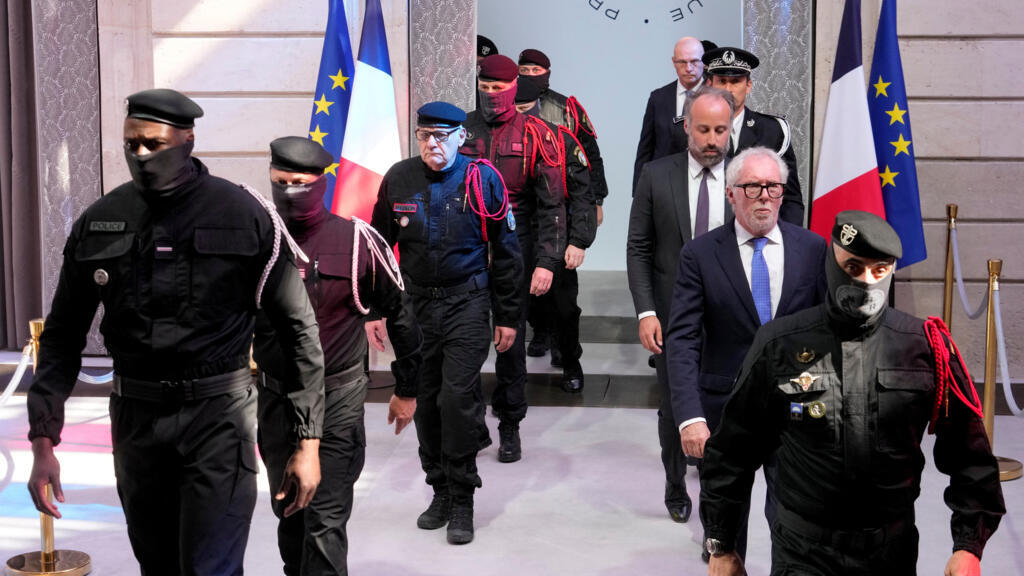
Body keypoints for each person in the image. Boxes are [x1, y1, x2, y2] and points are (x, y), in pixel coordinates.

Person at [26, 89, 325, 575]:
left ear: (187, 140)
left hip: (218, 419)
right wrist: (44, 442)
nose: (140, 156)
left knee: (211, 568)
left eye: (153, 144)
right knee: (157, 564)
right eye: (131, 144)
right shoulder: (102, 222)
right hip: (137, 420)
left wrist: (307, 442)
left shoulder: (242, 215)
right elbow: (62, 338)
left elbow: (298, 331)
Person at [701, 210, 1006, 576]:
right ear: (831, 262)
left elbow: (969, 455)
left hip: (890, 554)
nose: (866, 281)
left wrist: (969, 546)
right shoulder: (780, 344)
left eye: (880, 270)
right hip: (804, 553)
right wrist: (721, 544)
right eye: (853, 267)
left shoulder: (925, 348)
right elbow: (732, 452)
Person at [252, 137, 422, 575]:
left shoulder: (358, 242)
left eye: (300, 183)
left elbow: (401, 316)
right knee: (287, 513)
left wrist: (406, 389)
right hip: (276, 399)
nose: (289, 191)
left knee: (324, 523)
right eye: (280, 182)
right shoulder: (257, 243)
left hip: (337, 400)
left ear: (322, 183)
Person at [665, 146, 827, 562]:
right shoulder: (700, 255)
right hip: (725, 409)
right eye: (752, 187)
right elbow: (682, 339)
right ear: (731, 194)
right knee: (723, 526)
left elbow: (828, 334)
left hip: (794, 408)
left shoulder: (812, 249)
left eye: (772, 187)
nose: (764, 196)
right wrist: (690, 416)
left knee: (791, 521)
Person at [371, 101, 523, 545]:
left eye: (440, 136)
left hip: (467, 303)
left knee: (457, 399)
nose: (431, 144)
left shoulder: (483, 179)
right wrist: (377, 310)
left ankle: (463, 498)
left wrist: (509, 314)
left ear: (461, 137)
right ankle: (437, 488)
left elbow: (507, 251)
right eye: (424, 136)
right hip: (417, 305)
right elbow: (379, 250)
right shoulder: (399, 178)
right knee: (426, 399)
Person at [626, 85, 734, 524]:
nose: (712, 139)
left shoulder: (746, 177)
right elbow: (638, 248)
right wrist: (646, 311)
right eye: (704, 129)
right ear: (686, 126)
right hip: (673, 315)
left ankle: (717, 486)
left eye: (721, 130)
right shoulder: (657, 174)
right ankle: (674, 484)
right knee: (674, 405)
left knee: (722, 407)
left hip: (730, 318)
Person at [461, 54, 566, 461]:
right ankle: (471, 423)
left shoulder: (539, 133)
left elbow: (552, 204)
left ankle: (509, 424)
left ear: (513, 88)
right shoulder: (461, 129)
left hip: (516, 247)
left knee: (510, 340)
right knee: (466, 341)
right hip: (466, 248)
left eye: (498, 89)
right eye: (484, 88)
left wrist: (546, 261)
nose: (491, 96)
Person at [514, 75, 596, 392]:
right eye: (515, 107)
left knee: (564, 306)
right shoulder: (499, 139)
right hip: (517, 236)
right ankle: (514, 375)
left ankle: (571, 361)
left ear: (538, 105)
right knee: (518, 307)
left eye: (526, 107)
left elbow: (582, 195)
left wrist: (578, 241)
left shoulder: (560, 139)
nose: (521, 114)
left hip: (557, 235)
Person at [703, 46, 804, 225]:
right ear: (710, 85)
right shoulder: (689, 131)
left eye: (735, 82)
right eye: (722, 81)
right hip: (704, 238)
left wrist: (787, 244)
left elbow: (791, 198)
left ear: (748, 86)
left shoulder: (772, 131)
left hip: (759, 237)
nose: (728, 89)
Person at [633, 36, 709, 192]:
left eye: (694, 61)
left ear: (704, 62)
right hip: (663, 185)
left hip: (704, 184)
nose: (688, 68)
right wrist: (639, 193)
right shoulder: (658, 98)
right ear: (674, 62)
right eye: (682, 62)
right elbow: (645, 150)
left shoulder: (716, 97)